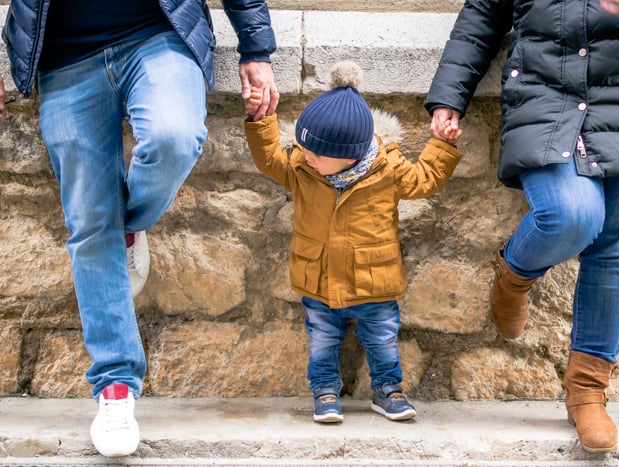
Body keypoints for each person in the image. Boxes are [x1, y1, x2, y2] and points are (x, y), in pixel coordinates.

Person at [1, 0, 278, 457]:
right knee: (90, 222)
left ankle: (127, 227)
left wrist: (257, 48)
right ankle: (114, 387)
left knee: (173, 138)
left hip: (158, 35)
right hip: (64, 58)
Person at [425, 0, 619, 453]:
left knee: (613, 252)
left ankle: (587, 392)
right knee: (571, 216)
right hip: (545, 100)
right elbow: (481, 19)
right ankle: (514, 273)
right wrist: (449, 97)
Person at [244, 61, 462, 423]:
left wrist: (441, 143)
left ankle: (388, 390)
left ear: (350, 154)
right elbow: (269, 158)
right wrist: (260, 120)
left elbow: (426, 178)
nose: (305, 156)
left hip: (374, 283)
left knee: (382, 340)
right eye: (302, 147)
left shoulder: (387, 169)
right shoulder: (301, 167)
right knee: (322, 341)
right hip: (318, 280)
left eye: (315, 152)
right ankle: (325, 391)